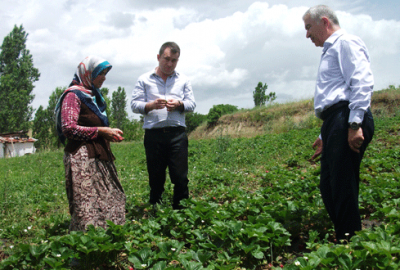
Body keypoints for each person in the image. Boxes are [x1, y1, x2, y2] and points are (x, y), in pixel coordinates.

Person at [303, 5, 374, 241]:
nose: (307, 35)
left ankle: (350, 244)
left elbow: (361, 82)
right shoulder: (331, 49)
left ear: (324, 22)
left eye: (308, 27)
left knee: (341, 187)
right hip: (336, 121)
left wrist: (354, 125)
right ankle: (347, 236)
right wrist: (325, 135)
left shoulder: (345, 42)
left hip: (347, 118)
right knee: (330, 187)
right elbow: (336, 93)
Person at [55, 56, 126, 231]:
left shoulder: (93, 96)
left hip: (99, 154)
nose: (104, 78)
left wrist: (107, 133)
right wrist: (100, 131)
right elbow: (68, 128)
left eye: (105, 74)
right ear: (88, 74)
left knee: (111, 195)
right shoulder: (73, 95)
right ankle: (84, 247)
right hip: (82, 158)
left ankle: (108, 237)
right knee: (86, 203)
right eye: (100, 73)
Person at [131, 42, 196, 210]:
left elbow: (192, 104)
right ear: (158, 57)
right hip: (154, 136)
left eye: (174, 60)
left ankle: (181, 212)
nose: (170, 64)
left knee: (180, 177)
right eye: (167, 59)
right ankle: (155, 211)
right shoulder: (144, 79)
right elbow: (134, 104)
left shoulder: (183, 80)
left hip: (177, 135)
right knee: (156, 176)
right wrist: (150, 105)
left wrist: (180, 104)